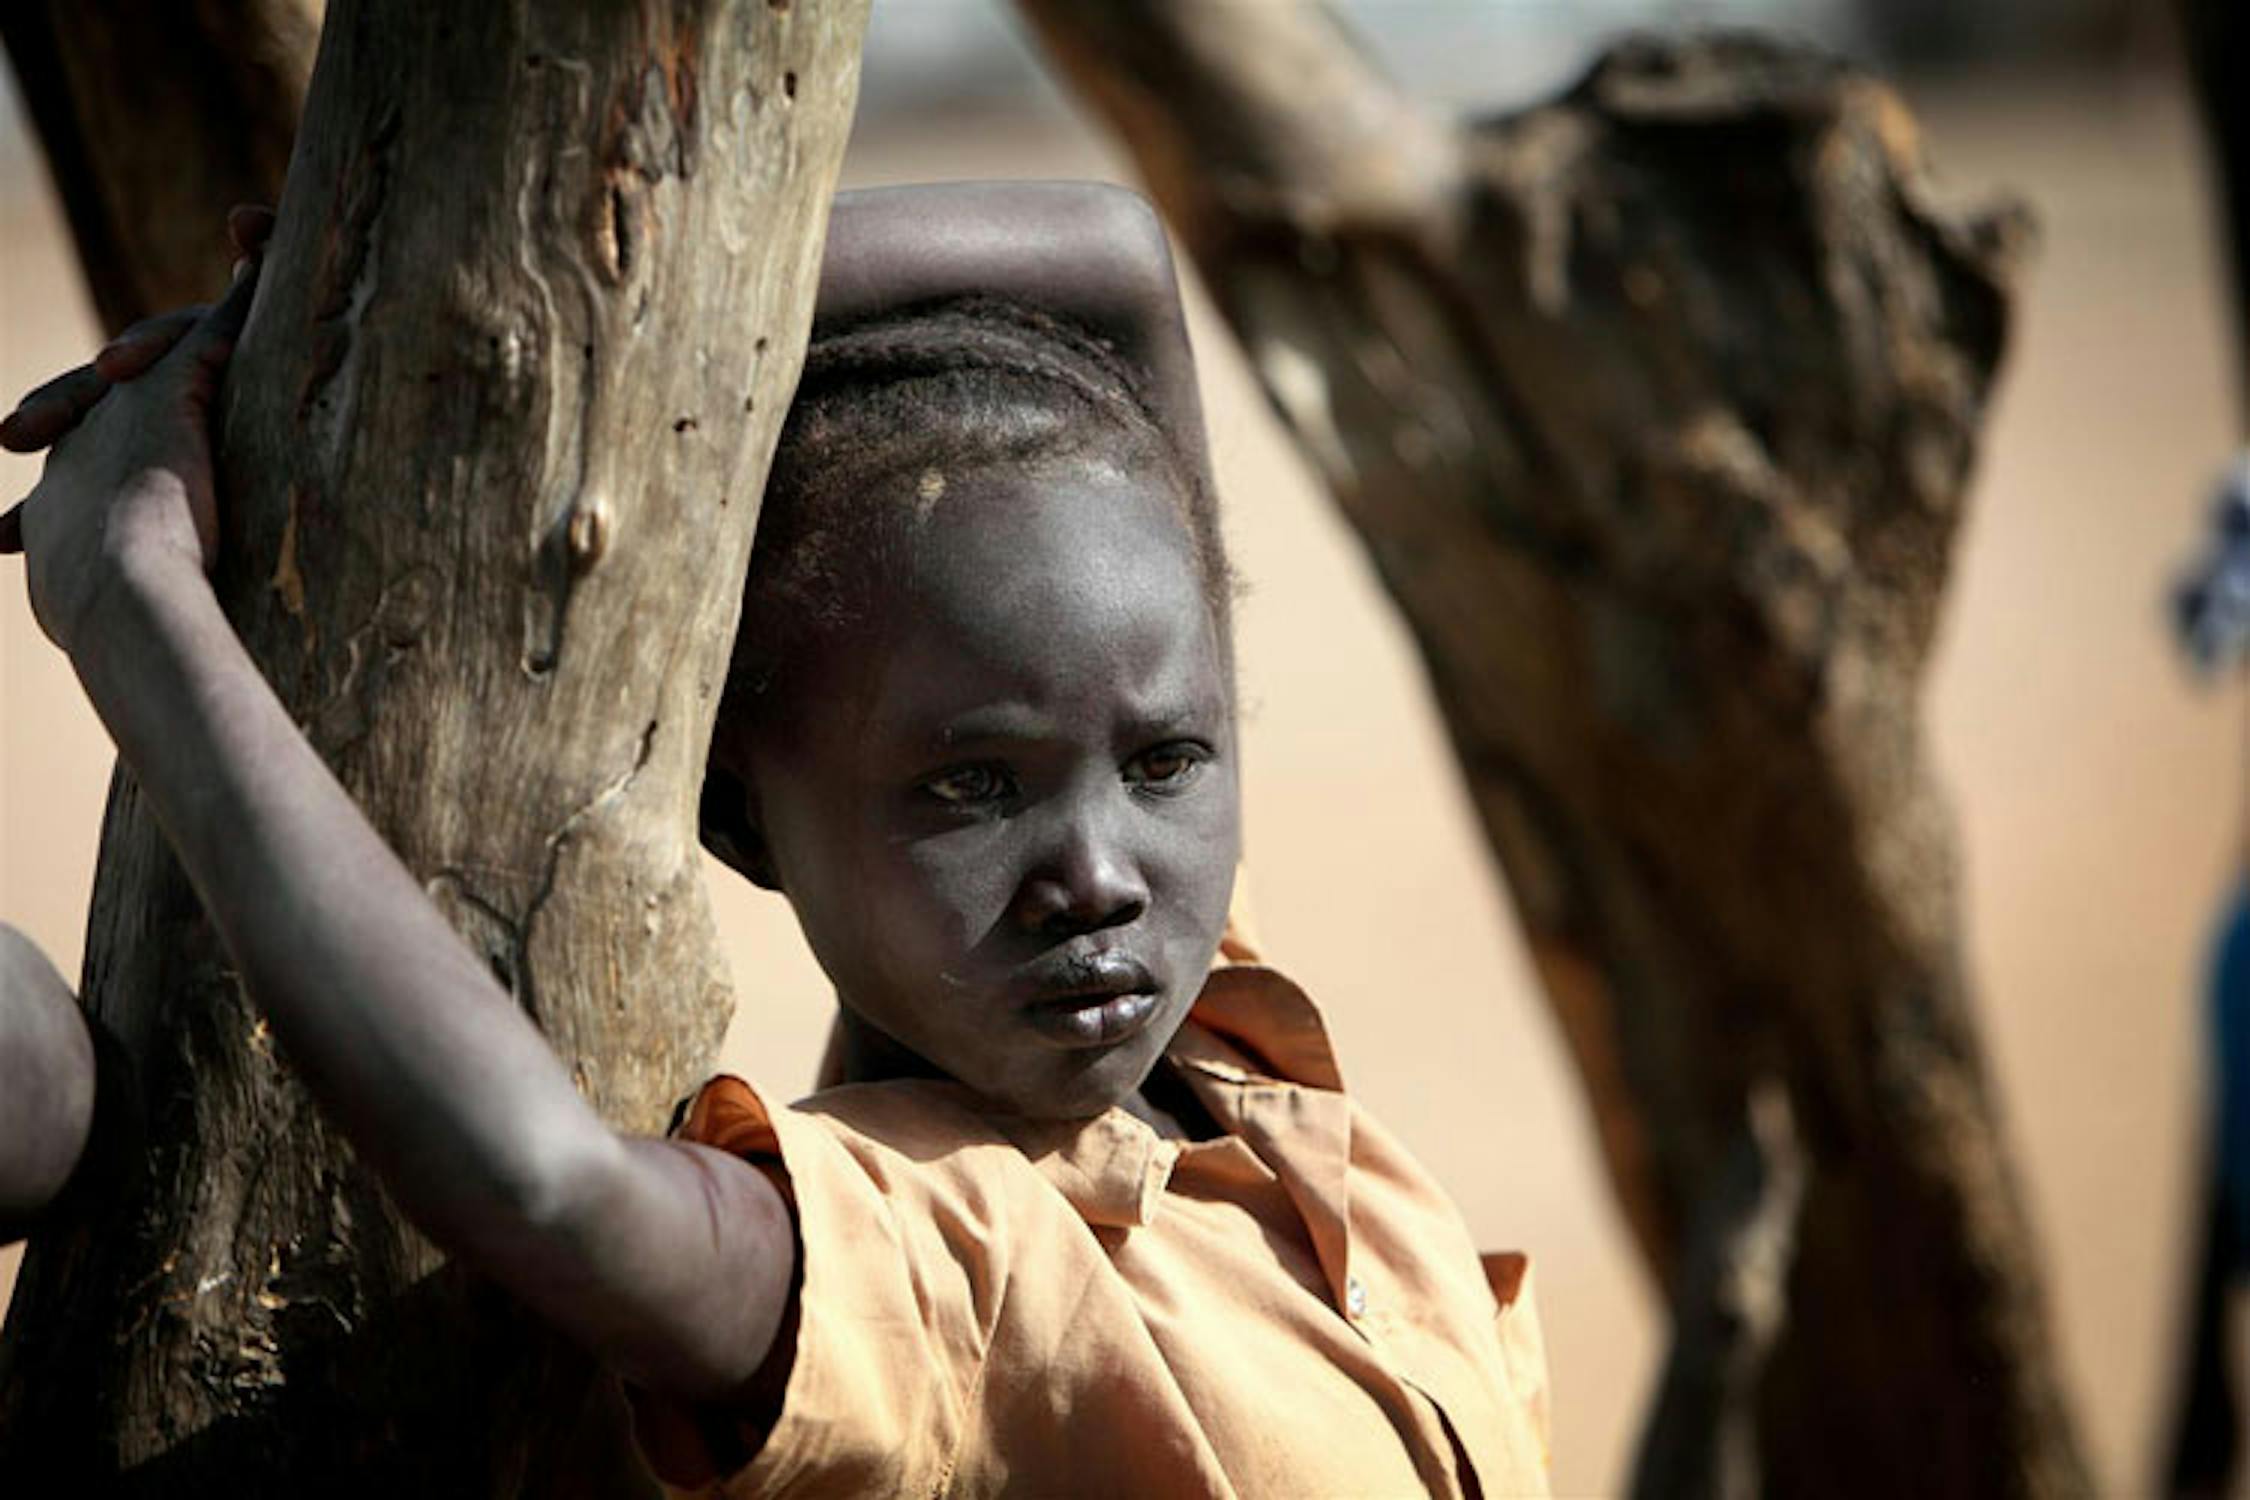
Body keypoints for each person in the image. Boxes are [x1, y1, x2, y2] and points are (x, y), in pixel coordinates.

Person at [0, 183, 1551, 1496]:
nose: (1097, 872)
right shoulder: (936, 1260)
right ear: (744, 814)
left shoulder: (1212, 1044)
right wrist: (130, 600)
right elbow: (542, 1190)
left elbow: (1113, 262)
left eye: (1163, 759)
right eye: (968, 789)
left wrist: (408, 310)